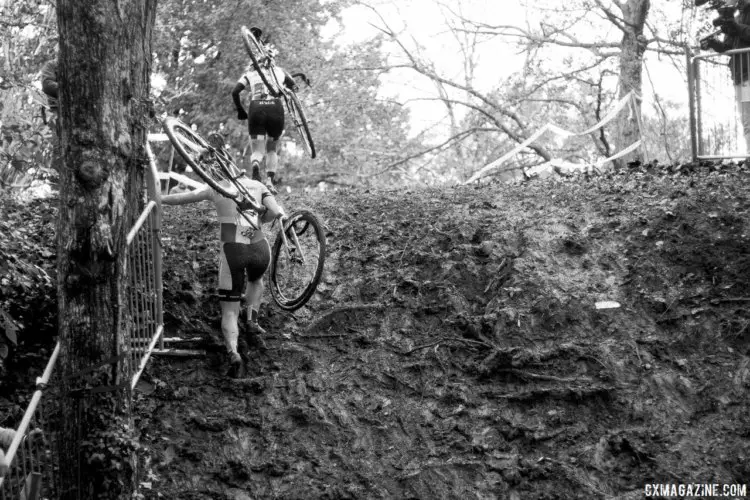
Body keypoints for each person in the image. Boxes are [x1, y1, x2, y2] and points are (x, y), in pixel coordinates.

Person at [160, 155, 284, 378]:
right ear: (235, 168)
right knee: (256, 280)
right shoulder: (257, 185)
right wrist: (259, 222)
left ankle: (233, 351)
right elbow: (275, 212)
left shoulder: (214, 189)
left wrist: (158, 199)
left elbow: (182, 198)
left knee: (229, 310)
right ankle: (252, 320)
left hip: (232, 250)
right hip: (259, 246)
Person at [231, 26, 298, 194]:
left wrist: (240, 110)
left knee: (258, 148)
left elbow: (234, 92)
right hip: (275, 109)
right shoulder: (279, 71)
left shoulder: (250, 74)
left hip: (256, 110)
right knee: (271, 148)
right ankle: (269, 180)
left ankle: (255, 165)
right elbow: (293, 86)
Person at [702, 0, 750, 153]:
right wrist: (712, 43)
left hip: (748, 73)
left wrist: (735, 26)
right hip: (740, 75)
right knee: (746, 121)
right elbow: (727, 47)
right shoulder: (737, 16)